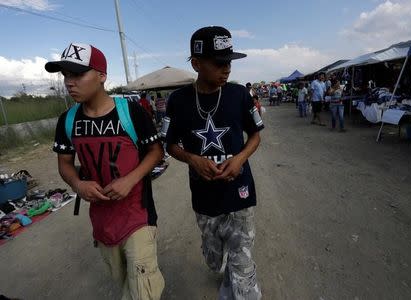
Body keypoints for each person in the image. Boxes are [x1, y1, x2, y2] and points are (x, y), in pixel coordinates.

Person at [46, 43, 165, 299]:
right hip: (102, 221)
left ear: (102, 76)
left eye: (77, 74)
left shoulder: (131, 113)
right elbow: (65, 164)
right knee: (122, 279)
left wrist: (130, 179)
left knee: (143, 290)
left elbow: (156, 152)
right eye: (66, 75)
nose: (69, 82)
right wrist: (79, 185)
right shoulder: (68, 120)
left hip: (138, 215)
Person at [162, 26, 263, 299]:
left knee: (242, 259)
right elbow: (169, 144)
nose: (227, 69)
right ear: (196, 63)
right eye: (219, 63)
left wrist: (240, 158)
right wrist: (192, 159)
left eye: (229, 62)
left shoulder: (240, 94)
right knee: (214, 261)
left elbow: (255, 136)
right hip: (205, 200)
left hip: (240, 193)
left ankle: (241, 286)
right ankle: (224, 269)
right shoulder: (178, 101)